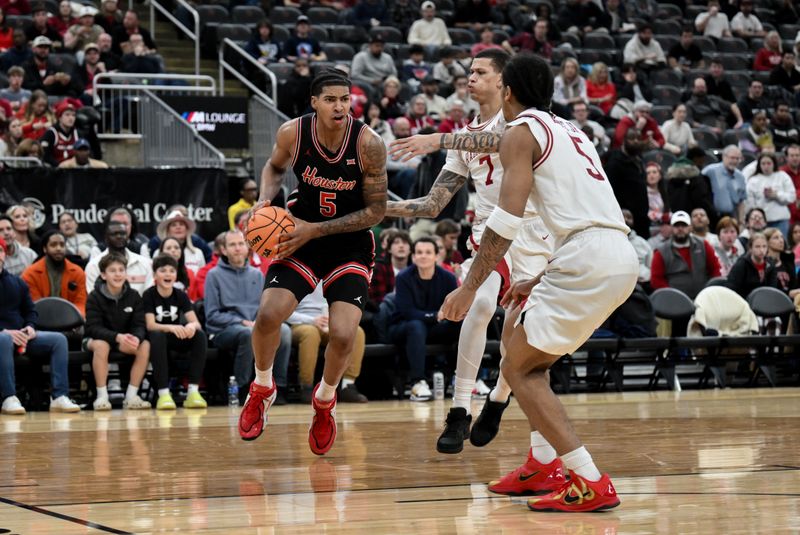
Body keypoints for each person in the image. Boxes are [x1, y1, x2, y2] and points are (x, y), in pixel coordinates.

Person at [440, 53, 638, 512]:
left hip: (585, 256)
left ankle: (588, 478)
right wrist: (539, 276)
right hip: (613, 253)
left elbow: (506, 220)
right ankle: (541, 464)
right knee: (516, 339)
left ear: (507, 91)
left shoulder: (518, 133)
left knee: (520, 369)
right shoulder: (573, 130)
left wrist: (469, 285)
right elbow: (584, 211)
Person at [237, 69, 388, 455]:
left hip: (349, 244)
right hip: (297, 235)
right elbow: (273, 168)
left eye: (345, 98)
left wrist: (315, 231)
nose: (341, 106)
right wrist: (264, 200)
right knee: (268, 316)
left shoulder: (369, 144)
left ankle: (324, 401)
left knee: (342, 334)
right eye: (332, 99)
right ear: (315, 103)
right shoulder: (294, 132)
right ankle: (262, 386)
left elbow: (376, 211)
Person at [205, 230, 290, 405]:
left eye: (240, 244)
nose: (237, 248)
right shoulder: (213, 275)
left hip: (253, 324)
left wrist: (257, 322)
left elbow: (264, 308)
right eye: (232, 245)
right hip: (224, 330)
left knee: (285, 331)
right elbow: (212, 316)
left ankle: (279, 387)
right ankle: (243, 389)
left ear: (247, 248)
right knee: (246, 333)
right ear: (223, 250)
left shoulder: (257, 275)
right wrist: (241, 321)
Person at [0, 236, 81, 415]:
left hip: (22, 337)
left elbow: (31, 311)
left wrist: (30, 327)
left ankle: (59, 396)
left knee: (58, 339)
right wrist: (4, 331)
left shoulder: (17, 282)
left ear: (4, 255)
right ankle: (8, 397)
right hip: (3, 338)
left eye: (0, 251)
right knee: (3, 339)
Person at [388, 237, 461, 401]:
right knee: (416, 325)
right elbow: (407, 312)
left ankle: (465, 379)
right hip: (403, 327)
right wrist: (436, 315)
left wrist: (446, 316)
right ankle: (417, 382)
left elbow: (451, 309)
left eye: (428, 252)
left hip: (435, 327)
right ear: (413, 257)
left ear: (436, 256)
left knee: (462, 324)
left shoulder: (448, 278)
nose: (423, 256)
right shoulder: (403, 277)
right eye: (419, 252)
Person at [84, 251, 152, 411]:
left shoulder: (134, 295)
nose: (118, 274)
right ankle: (102, 397)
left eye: (121, 270)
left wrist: (136, 337)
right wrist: (117, 337)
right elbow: (93, 328)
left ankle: (131, 396)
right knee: (102, 345)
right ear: (103, 275)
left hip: (122, 340)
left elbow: (139, 324)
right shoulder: (94, 296)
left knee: (145, 345)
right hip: (95, 340)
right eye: (112, 270)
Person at [143, 255, 207, 410]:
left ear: (176, 275)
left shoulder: (180, 295)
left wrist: (191, 327)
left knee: (199, 335)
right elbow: (150, 325)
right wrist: (171, 327)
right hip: (157, 337)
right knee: (157, 336)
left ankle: (193, 391)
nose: (167, 274)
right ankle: (164, 393)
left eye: (171, 271)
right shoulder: (149, 294)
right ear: (154, 275)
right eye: (163, 270)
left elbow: (196, 323)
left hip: (175, 336)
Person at [288, 282, 368, 403]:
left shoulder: (333, 275)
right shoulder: (295, 275)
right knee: (310, 334)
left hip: (330, 322)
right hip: (301, 323)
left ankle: (347, 386)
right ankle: (306, 386)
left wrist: (336, 320)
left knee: (357, 332)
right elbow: (283, 312)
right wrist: (312, 320)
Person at [650, 211, 722, 299]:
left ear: (690, 227)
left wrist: (710, 291)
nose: (680, 228)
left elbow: (716, 269)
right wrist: (672, 296)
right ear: (671, 228)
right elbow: (656, 279)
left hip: (704, 298)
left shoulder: (703, 245)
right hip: (674, 301)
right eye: (676, 225)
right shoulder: (661, 251)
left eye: (684, 225)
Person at [21, 229, 86, 315]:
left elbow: (80, 303)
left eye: (62, 245)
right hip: (40, 320)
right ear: (45, 249)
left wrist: (75, 319)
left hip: (71, 320)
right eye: (53, 245)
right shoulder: (30, 274)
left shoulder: (77, 272)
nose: (58, 248)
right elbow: (35, 305)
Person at [85, 220, 153, 295]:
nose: (119, 236)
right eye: (114, 234)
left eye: (122, 234)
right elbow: (93, 297)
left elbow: (149, 295)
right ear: (106, 237)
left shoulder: (145, 263)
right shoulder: (93, 266)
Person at [746, 152, 796, 237]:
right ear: (759, 165)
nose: (766, 166)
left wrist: (777, 195)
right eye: (763, 163)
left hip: (781, 220)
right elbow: (750, 203)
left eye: (769, 163)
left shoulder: (783, 176)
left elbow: (792, 197)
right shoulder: (753, 180)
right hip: (761, 222)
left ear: (774, 164)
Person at [726, 232, 779, 298]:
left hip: (765, 302)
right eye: (757, 247)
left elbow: (773, 289)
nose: (762, 250)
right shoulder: (741, 264)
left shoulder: (770, 265)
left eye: (764, 246)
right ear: (750, 248)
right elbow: (732, 288)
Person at [703, 145, 747, 222]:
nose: (735, 161)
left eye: (737, 158)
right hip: (713, 217)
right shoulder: (710, 171)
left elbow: (741, 201)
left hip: (732, 218)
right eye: (732, 158)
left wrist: (741, 221)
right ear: (724, 157)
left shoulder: (740, 176)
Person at [368, 230, 411, 309]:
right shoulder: (379, 268)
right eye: (396, 242)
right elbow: (378, 299)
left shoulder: (416, 269)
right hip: (387, 311)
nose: (401, 246)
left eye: (405, 242)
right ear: (389, 249)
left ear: (410, 249)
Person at [39, 100, 79, 167]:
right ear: (60, 117)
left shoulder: (77, 133)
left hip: (74, 169)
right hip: (55, 170)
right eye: (67, 114)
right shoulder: (51, 133)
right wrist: (60, 165)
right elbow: (45, 156)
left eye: (73, 115)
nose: (71, 118)